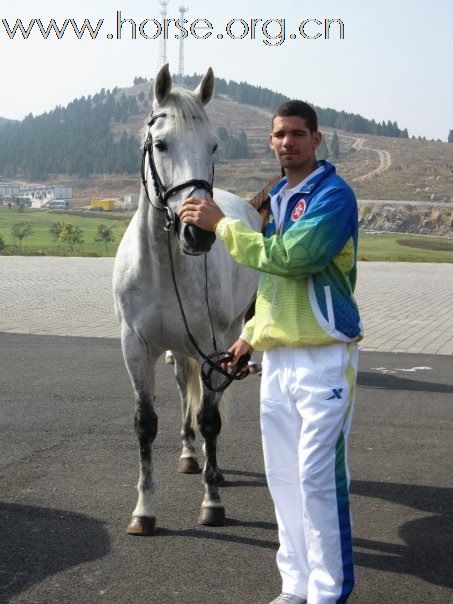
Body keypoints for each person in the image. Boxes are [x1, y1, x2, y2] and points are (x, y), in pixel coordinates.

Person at [180, 100, 362, 604]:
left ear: (316, 140)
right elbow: (272, 287)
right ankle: (295, 586)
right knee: (283, 481)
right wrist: (248, 337)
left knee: (318, 482)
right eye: (280, 134)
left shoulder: (333, 195)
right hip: (278, 363)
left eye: (298, 134)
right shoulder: (279, 198)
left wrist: (223, 225)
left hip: (325, 357)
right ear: (271, 141)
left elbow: (294, 259)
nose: (288, 142)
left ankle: (328, 593)